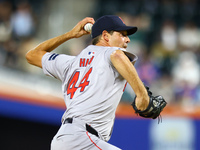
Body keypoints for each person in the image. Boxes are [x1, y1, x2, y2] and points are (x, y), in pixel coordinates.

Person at [26, 15, 150, 150]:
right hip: (82, 138)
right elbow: (117, 55)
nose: (128, 39)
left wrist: (70, 35)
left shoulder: (70, 63)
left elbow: (32, 55)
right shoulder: (110, 53)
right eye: (122, 34)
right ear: (106, 36)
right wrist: (142, 94)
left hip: (65, 138)